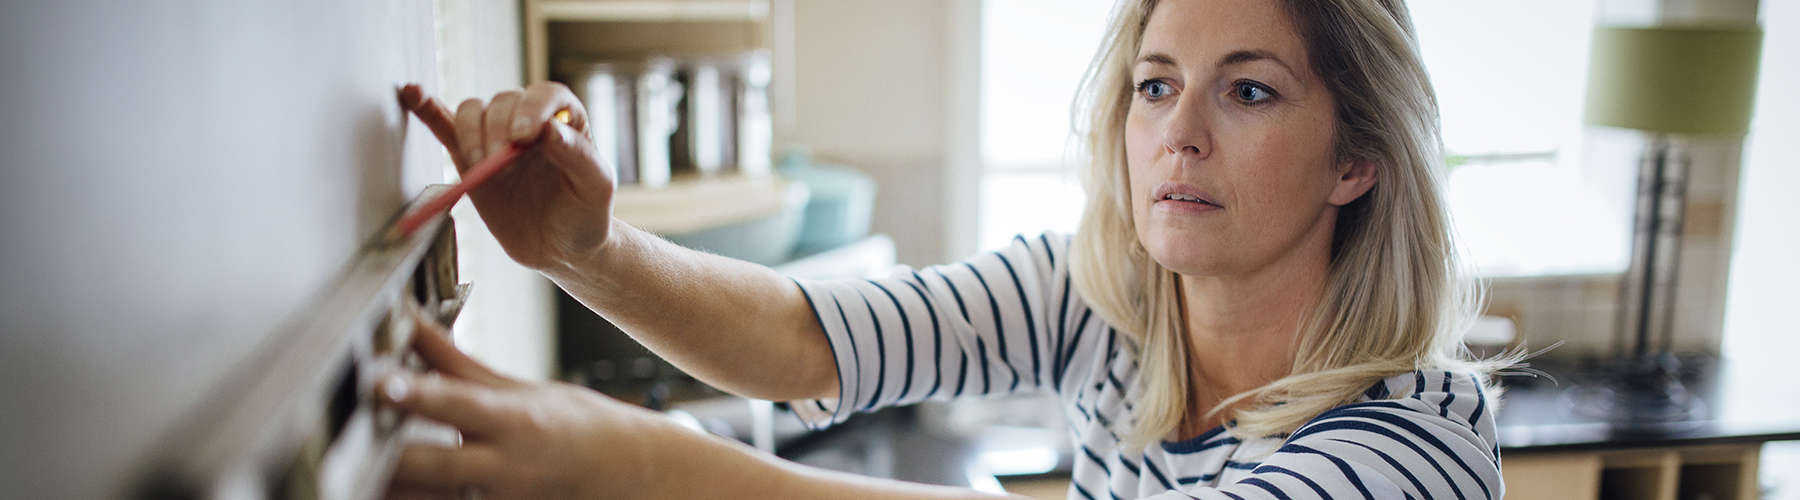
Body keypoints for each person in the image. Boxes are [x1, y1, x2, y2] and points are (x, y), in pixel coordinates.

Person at [381, 0, 1513, 498]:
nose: (1180, 132)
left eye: (1250, 90)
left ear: (1355, 158)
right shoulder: (1109, 296)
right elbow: (808, 338)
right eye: (1155, 85)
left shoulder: (1408, 450)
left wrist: (646, 467)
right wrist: (589, 250)